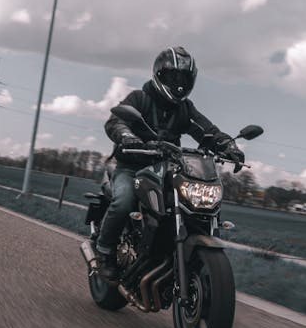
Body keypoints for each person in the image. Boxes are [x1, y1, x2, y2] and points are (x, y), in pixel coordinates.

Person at [95, 45, 245, 282]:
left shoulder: (185, 109)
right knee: (123, 202)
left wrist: (228, 145)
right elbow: (116, 122)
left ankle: (181, 258)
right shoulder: (139, 98)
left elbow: (207, 131)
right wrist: (128, 137)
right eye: (173, 77)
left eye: (183, 79)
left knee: (196, 207)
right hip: (132, 166)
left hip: (167, 169)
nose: (178, 84)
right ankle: (105, 254)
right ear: (159, 74)